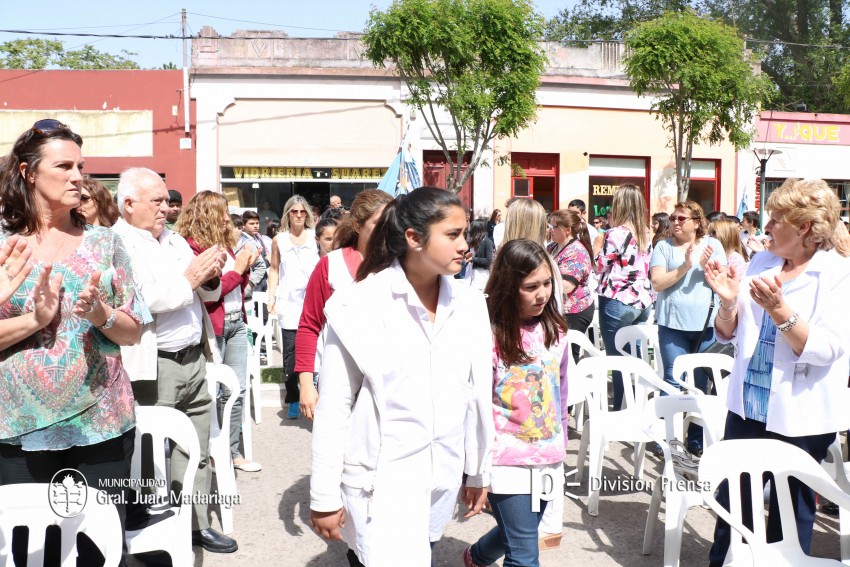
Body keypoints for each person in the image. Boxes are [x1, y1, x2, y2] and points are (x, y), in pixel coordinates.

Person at [309, 187, 493, 567]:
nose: (465, 245)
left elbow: (476, 394)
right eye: (453, 234)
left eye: (465, 234)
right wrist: (323, 495)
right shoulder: (357, 305)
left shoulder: (471, 304)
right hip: (381, 483)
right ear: (413, 238)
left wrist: (477, 470)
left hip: (440, 478)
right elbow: (335, 406)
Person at [0, 120, 148, 566]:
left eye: (80, 166)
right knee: (25, 553)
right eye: (63, 166)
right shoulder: (4, 247)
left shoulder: (107, 244)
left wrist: (101, 315)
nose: (77, 176)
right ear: (28, 173)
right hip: (16, 429)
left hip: (102, 427)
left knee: (96, 551)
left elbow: (134, 330)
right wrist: (36, 319)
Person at [704, 178, 850, 566]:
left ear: (803, 227)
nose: (766, 227)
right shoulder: (762, 262)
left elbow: (826, 349)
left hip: (801, 417)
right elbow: (727, 334)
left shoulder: (837, 273)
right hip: (748, 406)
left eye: (775, 219)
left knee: (789, 514)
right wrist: (728, 303)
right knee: (734, 503)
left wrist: (779, 310)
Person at [112, 167, 238, 554]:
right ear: (129, 203)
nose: (166, 208)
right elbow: (143, 301)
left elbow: (206, 294)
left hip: (193, 358)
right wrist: (190, 279)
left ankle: (196, 524)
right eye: (157, 201)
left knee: (196, 448)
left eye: (167, 201)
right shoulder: (117, 243)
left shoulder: (175, 240)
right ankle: (151, 534)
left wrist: (212, 274)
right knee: (151, 453)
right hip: (155, 364)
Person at [464, 239, 569, 567]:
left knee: (522, 530)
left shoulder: (556, 330)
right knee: (524, 554)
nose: (542, 294)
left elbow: (561, 391)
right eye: (531, 286)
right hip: (506, 460)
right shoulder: (488, 336)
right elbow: (474, 406)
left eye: (547, 283)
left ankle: (477, 556)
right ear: (510, 287)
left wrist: (561, 442)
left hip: (549, 456)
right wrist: (473, 470)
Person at [178, 191, 262, 474]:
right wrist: (238, 270)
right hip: (216, 327)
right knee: (214, 392)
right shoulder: (192, 249)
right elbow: (209, 295)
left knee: (237, 390)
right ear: (208, 215)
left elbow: (236, 285)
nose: (228, 218)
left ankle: (232, 451)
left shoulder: (224, 246)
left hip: (237, 322)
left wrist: (244, 268)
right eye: (222, 213)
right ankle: (212, 453)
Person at [295, 189, 392, 420]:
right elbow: (309, 325)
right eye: (379, 223)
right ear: (358, 226)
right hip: (338, 381)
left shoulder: (400, 266)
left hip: (386, 381)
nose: (386, 230)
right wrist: (306, 384)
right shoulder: (331, 265)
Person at [650, 201, 726, 455]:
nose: (675, 222)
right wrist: (685, 265)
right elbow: (658, 283)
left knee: (701, 382)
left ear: (697, 222)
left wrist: (705, 267)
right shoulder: (664, 247)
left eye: (682, 218)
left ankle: (695, 440)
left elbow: (723, 281)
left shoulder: (713, 246)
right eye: (673, 218)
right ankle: (665, 438)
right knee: (672, 379)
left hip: (706, 326)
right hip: (673, 325)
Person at [594, 184, 655, 411]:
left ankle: (621, 408)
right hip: (642, 300)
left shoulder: (615, 233)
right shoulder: (646, 232)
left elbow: (599, 267)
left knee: (617, 359)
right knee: (635, 358)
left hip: (617, 298)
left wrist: (598, 245)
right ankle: (635, 404)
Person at [268, 195, 319, 420]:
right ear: (288, 214)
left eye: (302, 212)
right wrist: (272, 296)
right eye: (294, 212)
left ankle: (315, 392)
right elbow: (274, 269)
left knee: (317, 350)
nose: (298, 216)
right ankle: (293, 398)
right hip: (289, 304)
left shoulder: (315, 237)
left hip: (313, 303)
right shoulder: (279, 239)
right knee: (290, 354)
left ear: (307, 214)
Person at [548, 209, 595, 339]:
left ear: (567, 230)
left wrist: (543, 281)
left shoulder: (576, 251)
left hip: (574, 310)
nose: (550, 230)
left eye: (554, 227)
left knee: (569, 353)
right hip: (558, 308)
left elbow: (567, 286)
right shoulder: (552, 247)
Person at [238, 209, 269, 300]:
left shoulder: (258, 238)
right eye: (251, 224)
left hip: (262, 283)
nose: (255, 226)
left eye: (257, 223)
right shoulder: (243, 241)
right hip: (252, 285)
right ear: (243, 225)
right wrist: (267, 261)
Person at [710, 217, 748, 281]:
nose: (710, 236)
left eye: (713, 233)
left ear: (725, 235)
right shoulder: (719, 254)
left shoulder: (735, 258)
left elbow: (727, 283)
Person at [466, 218, 494, 291]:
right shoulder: (474, 242)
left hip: (481, 275)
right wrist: (468, 256)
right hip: (470, 273)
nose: (470, 231)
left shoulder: (487, 242)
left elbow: (488, 260)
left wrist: (473, 259)